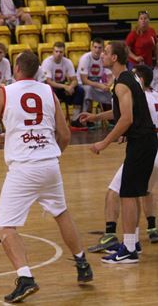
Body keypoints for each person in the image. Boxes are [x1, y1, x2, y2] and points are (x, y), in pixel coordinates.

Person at [0, 50, 93, 303]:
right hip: (49, 163)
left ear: (17, 69)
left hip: (23, 167)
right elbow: (64, 135)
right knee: (61, 213)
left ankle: (25, 277)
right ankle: (82, 263)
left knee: (6, 226)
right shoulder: (48, 92)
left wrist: (2, 137)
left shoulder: (5, 92)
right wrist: (52, 154)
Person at [82, 41, 158, 264]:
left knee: (126, 194)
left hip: (142, 143)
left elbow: (127, 119)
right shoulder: (127, 78)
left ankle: (128, 250)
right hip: (145, 141)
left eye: (105, 53)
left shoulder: (123, 83)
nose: (102, 56)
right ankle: (132, 245)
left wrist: (103, 143)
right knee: (132, 194)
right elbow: (122, 112)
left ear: (114, 58)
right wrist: (96, 118)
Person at [41, 42, 86, 129]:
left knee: (80, 90)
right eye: (56, 51)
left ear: (64, 52)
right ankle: (53, 121)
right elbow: (49, 81)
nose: (58, 54)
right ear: (52, 52)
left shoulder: (67, 62)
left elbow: (74, 80)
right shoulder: (47, 62)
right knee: (51, 90)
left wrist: (71, 87)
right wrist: (66, 87)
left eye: (61, 52)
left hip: (63, 87)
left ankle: (75, 120)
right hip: (50, 88)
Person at [77, 38, 112, 127]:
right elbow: (84, 80)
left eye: (99, 48)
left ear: (102, 49)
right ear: (91, 47)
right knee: (88, 90)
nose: (97, 50)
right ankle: (87, 119)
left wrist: (109, 85)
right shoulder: (85, 58)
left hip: (96, 84)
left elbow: (110, 76)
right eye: (95, 47)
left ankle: (111, 117)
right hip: (82, 85)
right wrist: (100, 86)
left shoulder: (103, 57)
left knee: (112, 91)